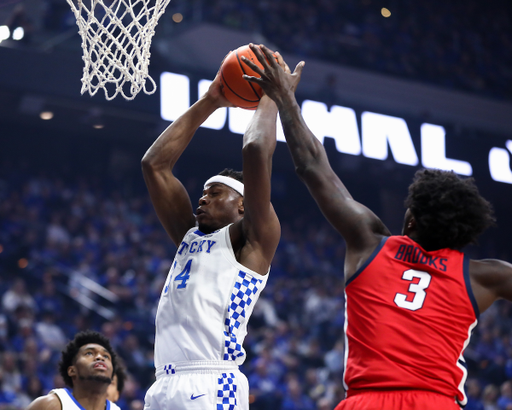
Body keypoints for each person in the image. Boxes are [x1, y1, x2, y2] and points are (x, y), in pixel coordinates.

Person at [242, 43, 512, 410]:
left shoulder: (370, 241)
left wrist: (284, 97)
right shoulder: (486, 276)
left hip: (367, 401)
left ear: (411, 219)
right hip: (436, 403)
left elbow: (312, 166)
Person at [140, 51, 281, 409]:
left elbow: (254, 148)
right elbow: (154, 165)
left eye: (215, 193)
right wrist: (211, 100)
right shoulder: (188, 236)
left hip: (212, 380)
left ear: (243, 205)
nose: (202, 200)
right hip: (161, 385)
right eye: (203, 193)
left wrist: (271, 95)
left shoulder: (253, 241)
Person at [26, 330, 121, 410]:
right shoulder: (51, 405)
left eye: (106, 356)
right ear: (72, 370)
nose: (100, 357)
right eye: (89, 353)